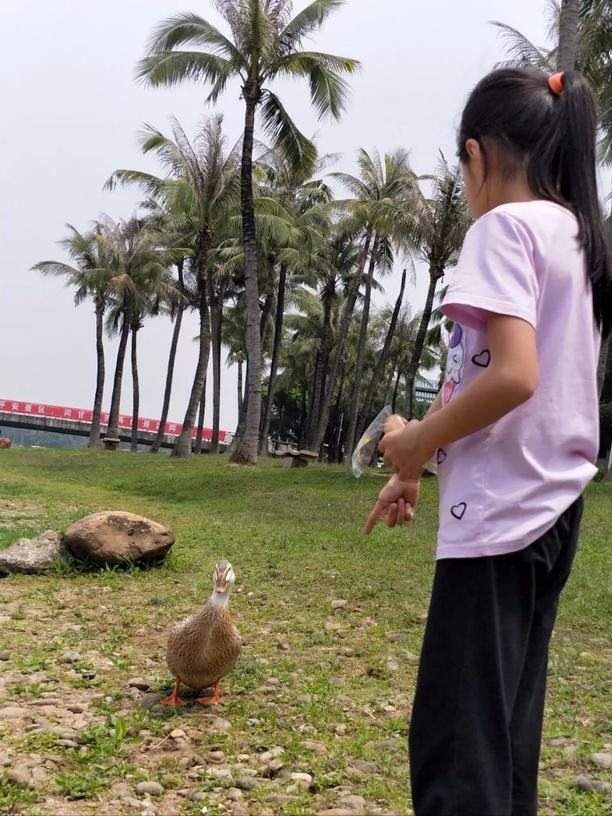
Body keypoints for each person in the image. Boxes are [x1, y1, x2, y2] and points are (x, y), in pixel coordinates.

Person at [364, 68, 612, 816]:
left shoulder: (503, 227)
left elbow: (512, 377)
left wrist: (411, 445)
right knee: (504, 742)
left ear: (475, 157)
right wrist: (423, 461)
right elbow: (499, 390)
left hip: (500, 522)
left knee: (456, 748)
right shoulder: (577, 235)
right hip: (554, 511)